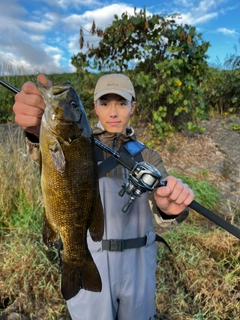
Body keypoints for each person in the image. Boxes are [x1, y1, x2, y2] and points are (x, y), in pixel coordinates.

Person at [13, 73, 194, 320]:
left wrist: (168, 207)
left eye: (121, 103)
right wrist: (35, 133)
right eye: (105, 103)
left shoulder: (148, 157)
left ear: (133, 107)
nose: (113, 112)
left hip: (138, 264)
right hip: (92, 255)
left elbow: (162, 207)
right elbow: (46, 160)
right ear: (94, 108)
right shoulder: (82, 143)